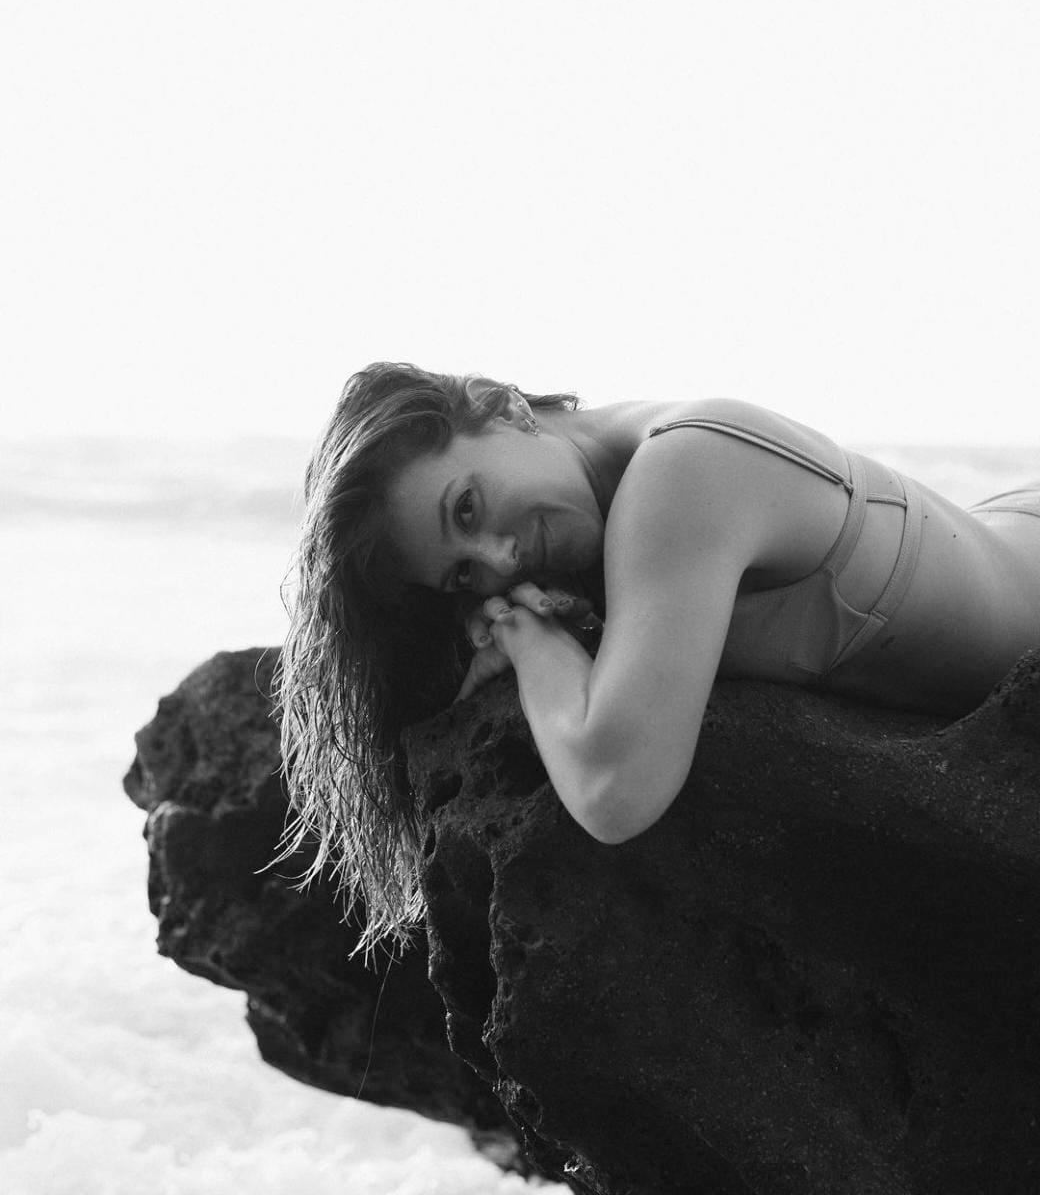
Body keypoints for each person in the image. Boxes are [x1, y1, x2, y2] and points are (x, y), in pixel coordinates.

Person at [278, 361, 1040, 951]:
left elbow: (614, 788)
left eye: (468, 508)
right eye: (465, 575)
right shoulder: (614, 522)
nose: (501, 560)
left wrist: (527, 638)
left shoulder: (682, 471)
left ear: (503, 407)